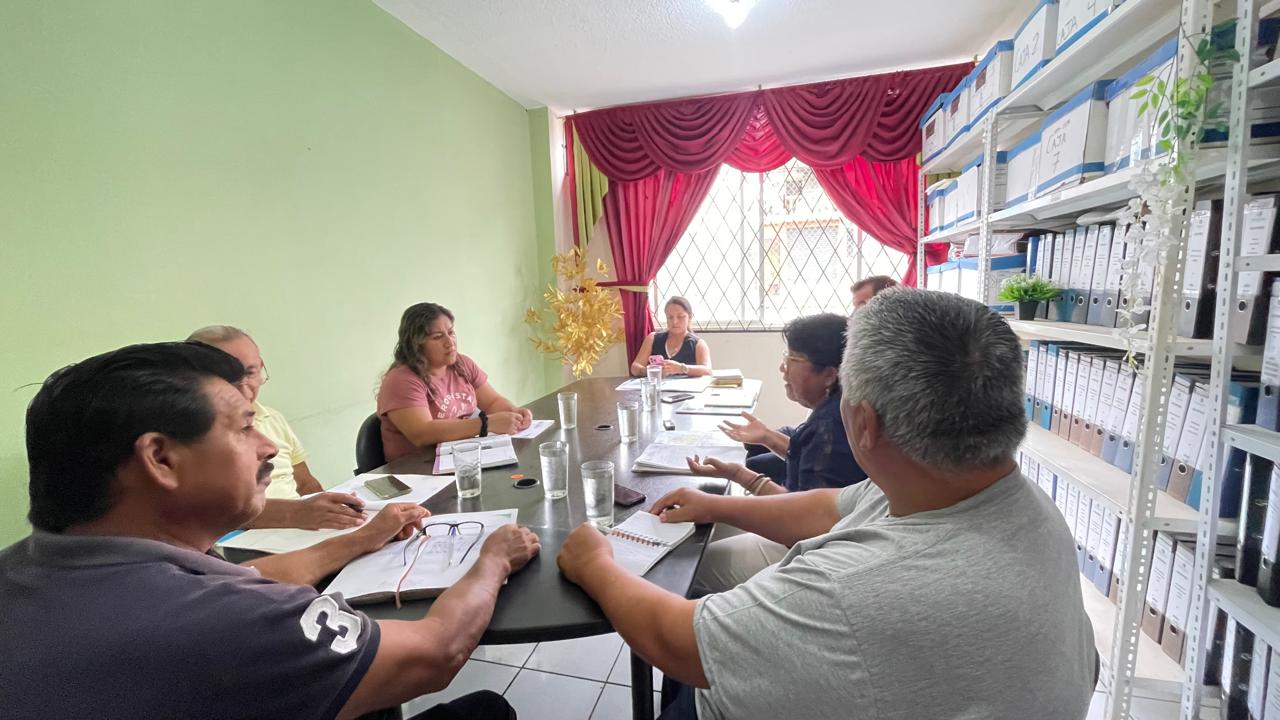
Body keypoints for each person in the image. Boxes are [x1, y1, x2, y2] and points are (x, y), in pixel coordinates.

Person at [558, 289, 1095, 720]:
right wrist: (716, 506)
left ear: (863, 422)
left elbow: (681, 644)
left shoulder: (847, 590)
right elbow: (829, 508)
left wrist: (595, 564)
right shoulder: (1009, 500)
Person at [0, 341, 540, 720]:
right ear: (160, 459)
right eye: (244, 427)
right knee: (486, 709)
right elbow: (436, 651)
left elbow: (251, 577)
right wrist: (492, 558)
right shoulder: (228, 622)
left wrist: (359, 539)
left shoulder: (33, 568)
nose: (269, 447)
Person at [683, 312, 868, 592]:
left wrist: (739, 475)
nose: (783, 368)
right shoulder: (835, 407)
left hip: (811, 551)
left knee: (692, 565)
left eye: (792, 359)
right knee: (706, 531)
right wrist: (761, 444)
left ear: (830, 374)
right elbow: (807, 461)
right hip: (813, 533)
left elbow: (800, 518)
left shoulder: (830, 426)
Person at [188, 325, 364, 531]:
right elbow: (207, 510)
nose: (244, 390)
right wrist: (295, 514)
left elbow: (305, 482)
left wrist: (336, 515)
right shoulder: (190, 436)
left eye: (250, 373)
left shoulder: (273, 418)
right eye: (226, 378)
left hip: (298, 531)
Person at [378, 302, 532, 462]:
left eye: (451, 332)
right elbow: (422, 433)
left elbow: (493, 402)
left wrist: (515, 414)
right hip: (416, 467)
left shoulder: (462, 364)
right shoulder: (401, 380)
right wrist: (485, 424)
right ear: (416, 344)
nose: (450, 342)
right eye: (437, 337)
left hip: (459, 457)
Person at [629, 296, 712, 377]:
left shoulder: (697, 344)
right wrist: (652, 371)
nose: (675, 321)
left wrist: (681, 368)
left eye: (680, 316)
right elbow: (635, 367)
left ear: (689, 318)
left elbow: (707, 370)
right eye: (670, 317)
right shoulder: (653, 338)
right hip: (658, 386)